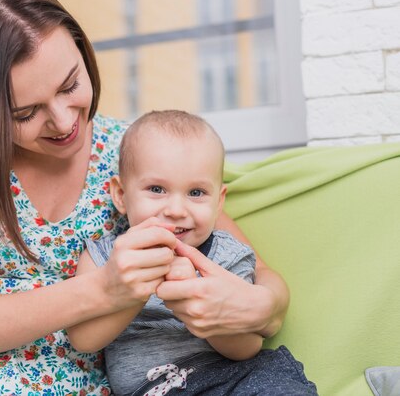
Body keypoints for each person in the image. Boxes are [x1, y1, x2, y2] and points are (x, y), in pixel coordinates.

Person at [0, 0, 290, 395]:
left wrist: (260, 308)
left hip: (70, 380)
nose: (63, 121)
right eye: (25, 113)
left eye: (72, 84)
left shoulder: (134, 155)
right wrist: (103, 290)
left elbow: (252, 267)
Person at [67, 110, 317, 396]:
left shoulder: (225, 255)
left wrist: (203, 312)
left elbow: (247, 349)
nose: (176, 210)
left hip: (236, 378)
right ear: (121, 195)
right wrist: (137, 288)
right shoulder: (102, 256)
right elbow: (83, 338)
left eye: (196, 193)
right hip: (156, 390)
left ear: (219, 202)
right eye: (157, 189)